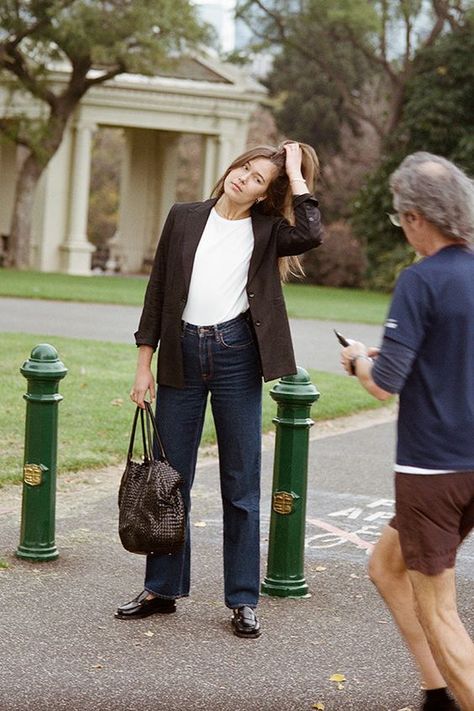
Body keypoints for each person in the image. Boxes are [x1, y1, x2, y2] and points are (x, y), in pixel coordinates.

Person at [115, 140, 323, 638]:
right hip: (181, 354)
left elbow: (312, 232)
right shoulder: (184, 216)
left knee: (241, 485)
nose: (243, 179)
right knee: (170, 479)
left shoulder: (271, 230)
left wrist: (295, 172)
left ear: (265, 194)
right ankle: (161, 589)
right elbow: (158, 291)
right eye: (243, 168)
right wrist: (144, 365)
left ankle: (243, 598)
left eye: (257, 179)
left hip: (237, 356)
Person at [339, 152, 474, 710]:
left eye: (401, 219)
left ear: (417, 217)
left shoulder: (419, 282)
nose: (403, 230)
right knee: (386, 567)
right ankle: (436, 691)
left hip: (432, 472)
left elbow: (383, 384)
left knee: (442, 613)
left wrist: (357, 361)